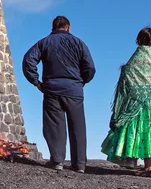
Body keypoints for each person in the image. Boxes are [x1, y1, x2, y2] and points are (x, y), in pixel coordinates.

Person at [101, 27, 151, 178]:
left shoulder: (138, 56)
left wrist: (123, 70)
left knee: (147, 132)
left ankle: (149, 168)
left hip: (142, 104)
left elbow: (128, 74)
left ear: (139, 40)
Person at [22, 16, 96, 173]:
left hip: (52, 89)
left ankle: (57, 161)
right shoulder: (79, 43)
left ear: (53, 27)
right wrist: (82, 81)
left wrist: (37, 83)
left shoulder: (44, 42)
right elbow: (90, 67)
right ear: (68, 28)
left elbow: (28, 61)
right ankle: (79, 164)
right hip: (74, 90)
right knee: (78, 127)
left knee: (55, 126)